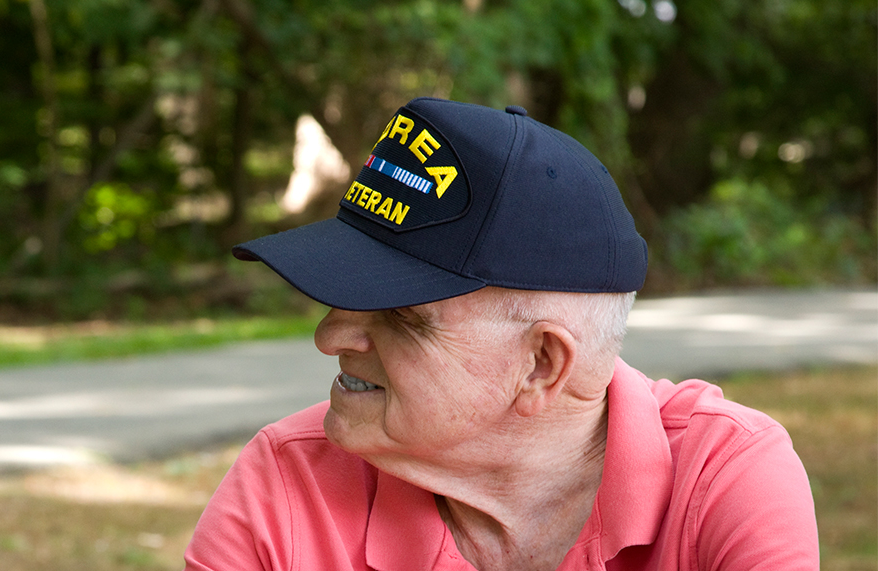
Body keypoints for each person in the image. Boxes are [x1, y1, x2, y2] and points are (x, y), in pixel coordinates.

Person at [183, 98, 818, 570]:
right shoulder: (288, 483)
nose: (331, 337)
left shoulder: (720, 480)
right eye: (343, 300)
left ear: (542, 363)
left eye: (400, 315)